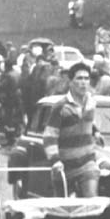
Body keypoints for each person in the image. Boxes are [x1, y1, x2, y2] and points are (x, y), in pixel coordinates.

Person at [43, 62, 100, 198]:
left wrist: (96, 131)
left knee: (91, 200)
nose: (83, 83)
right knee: (64, 210)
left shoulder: (91, 103)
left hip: (87, 163)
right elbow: (49, 136)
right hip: (64, 166)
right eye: (79, 78)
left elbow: (86, 121)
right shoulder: (60, 107)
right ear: (71, 82)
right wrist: (55, 160)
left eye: (86, 79)